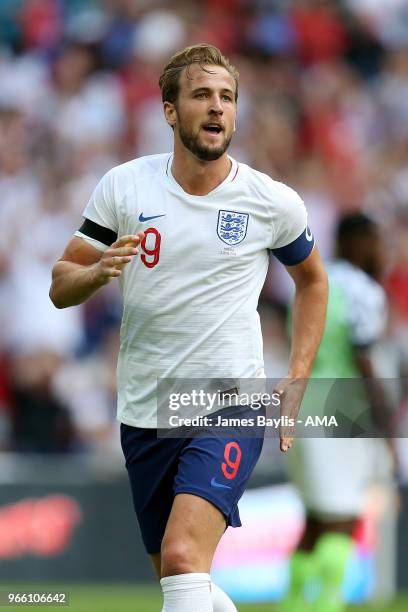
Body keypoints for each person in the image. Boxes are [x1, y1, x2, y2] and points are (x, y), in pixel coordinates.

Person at [49, 44, 328, 612]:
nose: (217, 107)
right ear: (170, 111)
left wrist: (298, 376)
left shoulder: (270, 202)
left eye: (227, 97)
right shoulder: (126, 188)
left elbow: (314, 282)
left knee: (181, 558)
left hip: (230, 401)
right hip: (145, 409)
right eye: (202, 94)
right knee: (182, 582)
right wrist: (98, 271)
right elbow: (61, 282)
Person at [281, 213, 396, 612]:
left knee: (314, 517)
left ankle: (295, 603)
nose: (379, 249)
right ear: (357, 241)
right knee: (344, 516)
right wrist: (387, 425)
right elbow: (364, 362)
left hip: (301, 405)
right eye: (374, 240)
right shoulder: (364, 291)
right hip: (343, 408)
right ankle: (326, 605)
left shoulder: (315, 280)